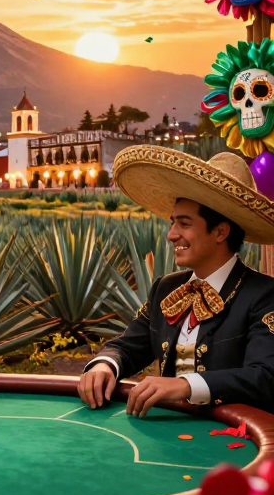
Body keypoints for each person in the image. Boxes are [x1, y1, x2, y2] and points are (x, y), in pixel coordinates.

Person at [78, 148, 274, 417]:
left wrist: (184, 386)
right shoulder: (166, 288)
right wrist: (105, 365)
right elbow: (128, 346)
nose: (171, 235)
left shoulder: (263, 294)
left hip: (237, 441)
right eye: (172, 223)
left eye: (184, 224)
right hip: (170, 439)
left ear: (220, 231)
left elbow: (264, 377)